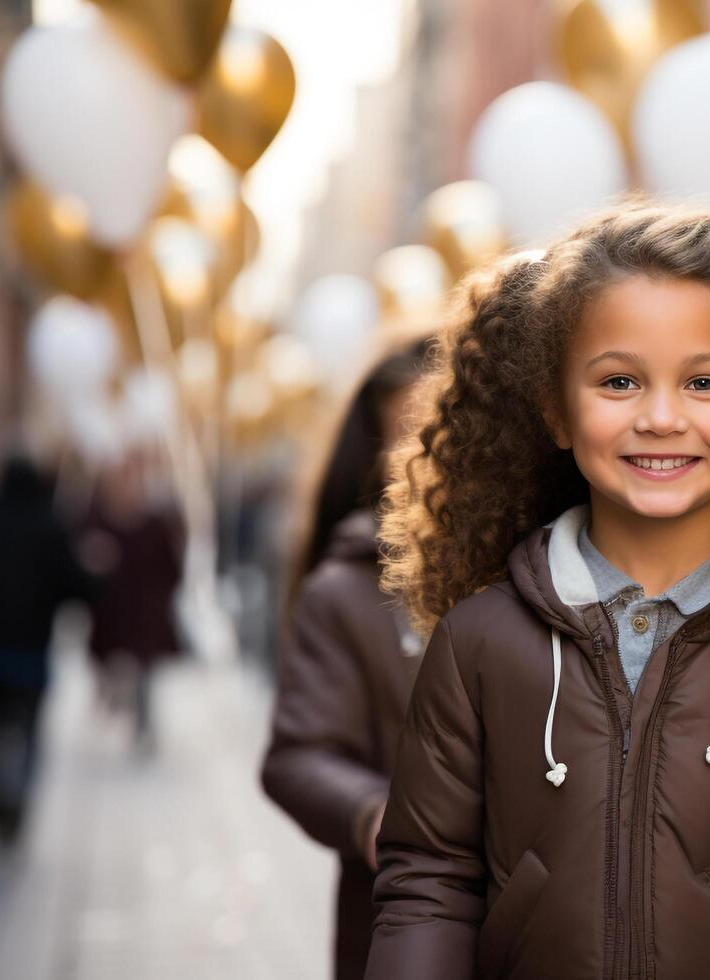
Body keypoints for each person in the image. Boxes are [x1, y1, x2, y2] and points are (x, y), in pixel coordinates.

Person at [365, 206, 710, 980]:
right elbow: (429, 881)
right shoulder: (480, 638)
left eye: (704, 382)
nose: (661, 417)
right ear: (556, 410)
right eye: (618, 381)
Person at [261, 337, 431, 980]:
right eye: (411, 430)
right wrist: (376, 816)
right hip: (400, 923)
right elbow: (299, 753)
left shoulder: (556, 569)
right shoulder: (346, 592)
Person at [0, 456, 93, 847]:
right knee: (29, 731)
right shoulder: (49, 527)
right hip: (30, 658)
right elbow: (75, 584)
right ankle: (18, 807)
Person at [81, 450, 183, 752]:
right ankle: (114, 701)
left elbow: (172, 568)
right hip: (111, 612)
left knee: (145, 671)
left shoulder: (155, 523)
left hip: (145, 612)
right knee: (114, 663)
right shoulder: (97, 519)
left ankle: (143, 724)